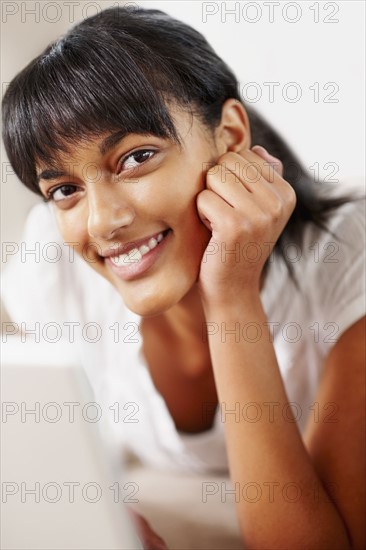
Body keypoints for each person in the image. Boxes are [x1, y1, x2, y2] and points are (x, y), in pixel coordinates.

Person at [2, 6, 365, 549]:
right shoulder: (51, 258)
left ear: (231, 137)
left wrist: (232, 295)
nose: (102, 221)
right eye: (63, 189)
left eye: (136, 157)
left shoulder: (348, 252)